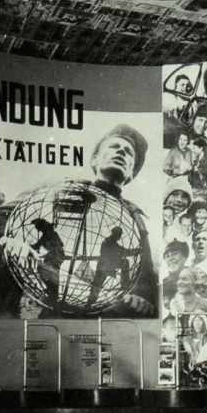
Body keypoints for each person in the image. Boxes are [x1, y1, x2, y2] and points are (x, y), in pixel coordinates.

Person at [83, 124, 159, 316]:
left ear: (131, 173)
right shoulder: (67, 193)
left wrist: (141, 296)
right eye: (114, 147)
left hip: (114, 310)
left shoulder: (136, 217)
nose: (121, 153)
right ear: (94, 160)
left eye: (128, 152)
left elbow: (146, 269)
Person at [29, 217, 65, 303]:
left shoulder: (48, 234)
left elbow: (38, 245)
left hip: (56, 256)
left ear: (42, 227)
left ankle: (52, 294)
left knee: (47, 272)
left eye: (38, 228)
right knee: (51, 274)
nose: (38, 230)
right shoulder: (49, 233)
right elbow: (38, 245)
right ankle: (52, 293)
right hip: (55, 255)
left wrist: (29, 247)